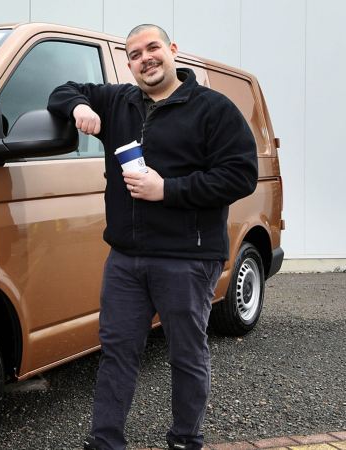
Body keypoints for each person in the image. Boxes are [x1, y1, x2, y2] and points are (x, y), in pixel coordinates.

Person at [47, 24, 258, 450]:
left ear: (173, 50)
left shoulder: (213, 109)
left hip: (187, 258)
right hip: (126, 258)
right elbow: (62, 90)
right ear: (129, 64)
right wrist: (78, 108)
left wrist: (169, 190)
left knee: (186, 355)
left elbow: (241, 174)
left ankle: (185, 440)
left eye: (153, 48)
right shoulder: (117, 102)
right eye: (135, 53)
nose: (146, 58)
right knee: (117, 353)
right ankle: (105, 442)